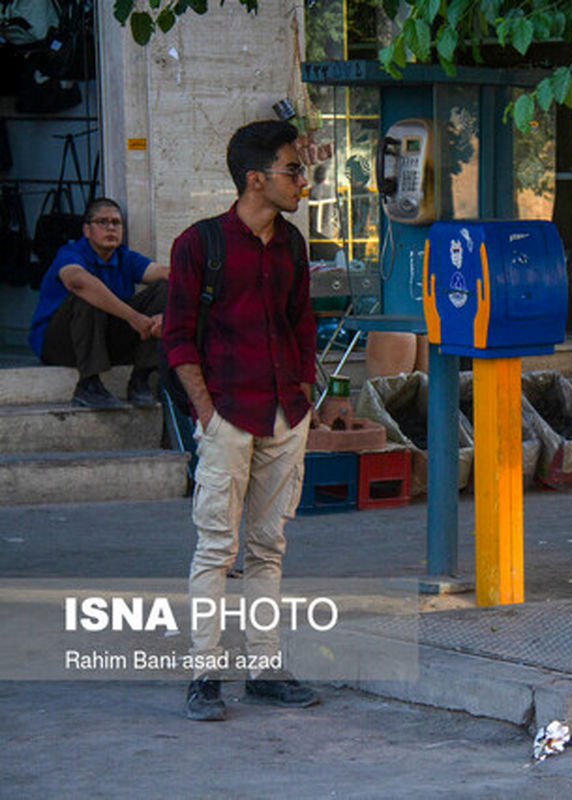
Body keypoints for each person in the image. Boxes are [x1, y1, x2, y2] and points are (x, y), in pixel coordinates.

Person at [163, 120, 318, 722]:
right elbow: (177, 338)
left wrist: (307, 393)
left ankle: (264, 669)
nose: (303, 181)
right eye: (292, 170)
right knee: (215, 548)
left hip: (285, 412)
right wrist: (207, 410)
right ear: (256, 179)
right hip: (227, 411)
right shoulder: (199, 245)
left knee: (268, 547)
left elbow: (302, 322)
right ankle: (204, 673)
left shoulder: (294, 244)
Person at [29, 198, 169, 408]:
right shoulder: (71, 253)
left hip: (103, 340)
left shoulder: (124, 257)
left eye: (116, 222)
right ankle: (89, 384)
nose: (111, 228)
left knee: (166, 288)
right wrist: (133, 317)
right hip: (61, 345)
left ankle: (142, 378)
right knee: (87, 292)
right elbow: (77, 282)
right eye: (102, 222)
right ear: (87, 230)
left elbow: (164, 273)